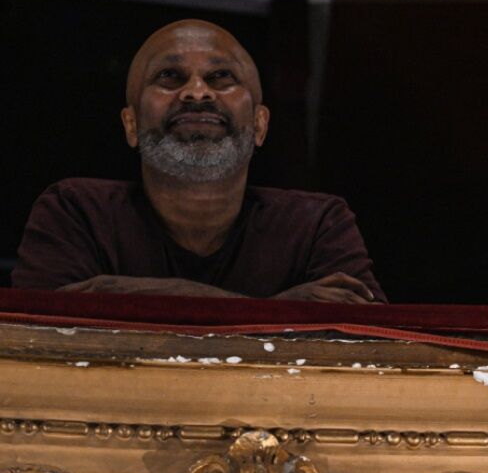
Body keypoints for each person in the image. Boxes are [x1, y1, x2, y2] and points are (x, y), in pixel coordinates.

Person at [12, 19, 384, 304]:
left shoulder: (317, 223)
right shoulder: (75, 210)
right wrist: (279, 310)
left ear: (259, 125)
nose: (196, 92)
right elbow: (35, 337)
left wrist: (118, 293)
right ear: (131, 125)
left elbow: (372, 343)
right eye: (169, 76)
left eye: (221, 77)